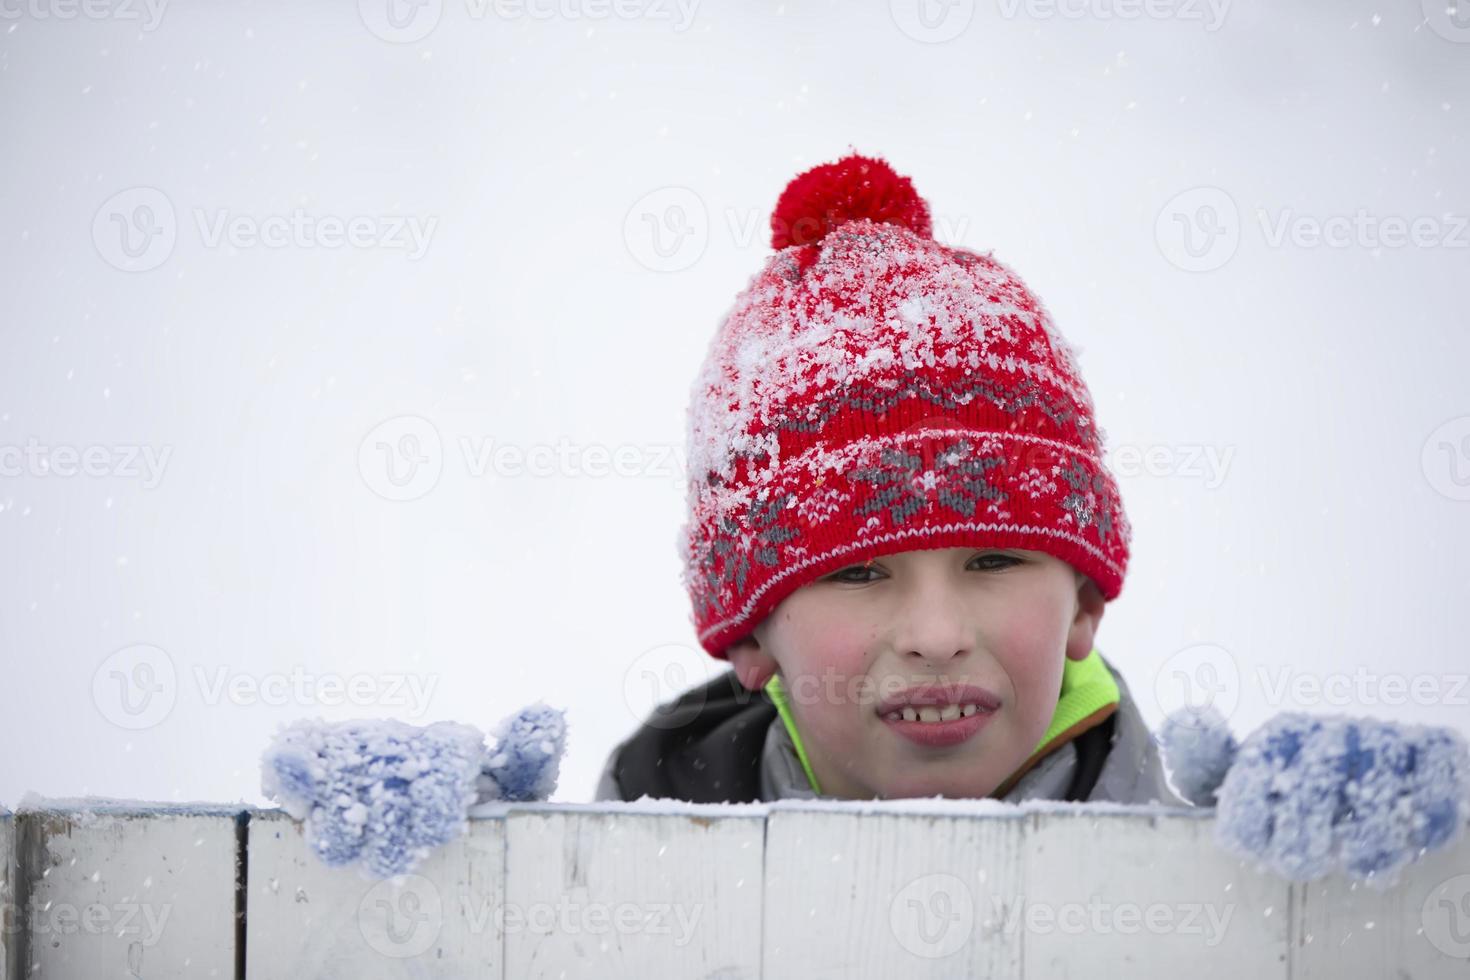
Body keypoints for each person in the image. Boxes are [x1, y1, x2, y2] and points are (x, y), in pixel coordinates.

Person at [596, 151, 1186, 807]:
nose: (936, 638)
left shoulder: (1231, 886)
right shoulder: (598, 879)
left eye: (993, 559)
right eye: (857, 571)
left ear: (1084, 606)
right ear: (748, 633)